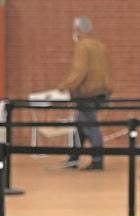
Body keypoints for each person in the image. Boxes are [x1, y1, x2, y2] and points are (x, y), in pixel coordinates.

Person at [56, 17, 111, 170]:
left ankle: (97, 159)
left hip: (86, 92)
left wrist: (65, 86)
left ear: (78, 30)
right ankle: (73, 157)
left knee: (90, 125)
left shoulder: (82, 46)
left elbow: (79, 71)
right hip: (101, 92)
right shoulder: (100, 45)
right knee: (80, 123)